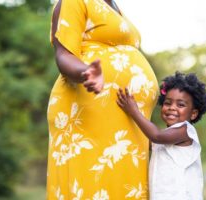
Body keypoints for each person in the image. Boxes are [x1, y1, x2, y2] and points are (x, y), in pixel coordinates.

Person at [46, 0, 158, 199]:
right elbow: (63, 55)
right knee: (90, 185)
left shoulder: (114, 5)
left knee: (122, 186)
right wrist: (86, 72)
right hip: (88, 111)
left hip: (126, 121)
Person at [117, 72, 206, 200]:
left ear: (193, 114)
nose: (172, 108)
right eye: (167, 103)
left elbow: (156, 136)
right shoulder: (164, 137)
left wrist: (134, 111)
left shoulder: (186, 131)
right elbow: (145, 140)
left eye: (180, 105)